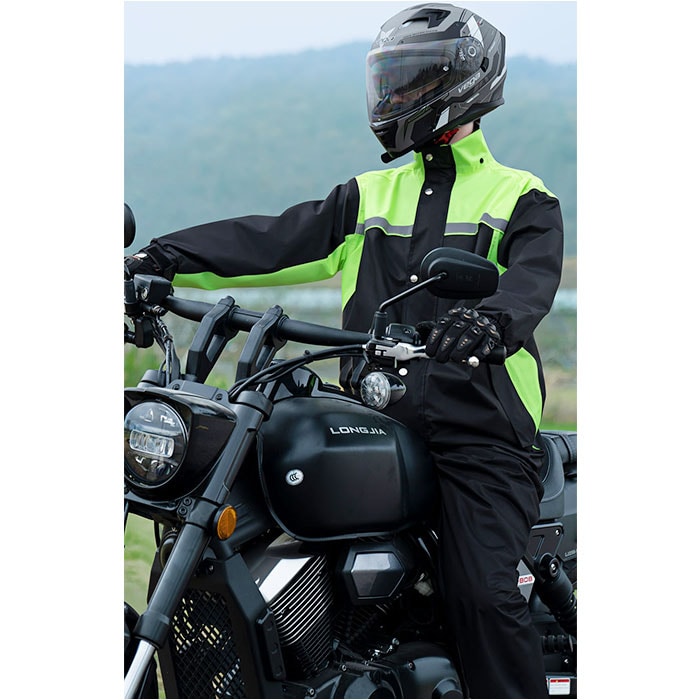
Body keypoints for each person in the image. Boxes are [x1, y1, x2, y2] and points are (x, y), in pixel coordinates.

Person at [126, 4, 563, 697]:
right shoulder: (368, 196)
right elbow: (271, 240)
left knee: (482, 594)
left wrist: (490, 323)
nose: (397, 96)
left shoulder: (522, 198)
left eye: (414, 80)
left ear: (465, 82)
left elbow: (531, 284)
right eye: (391, 80)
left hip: (479, 433)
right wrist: (161, 259)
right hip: (377, 419)